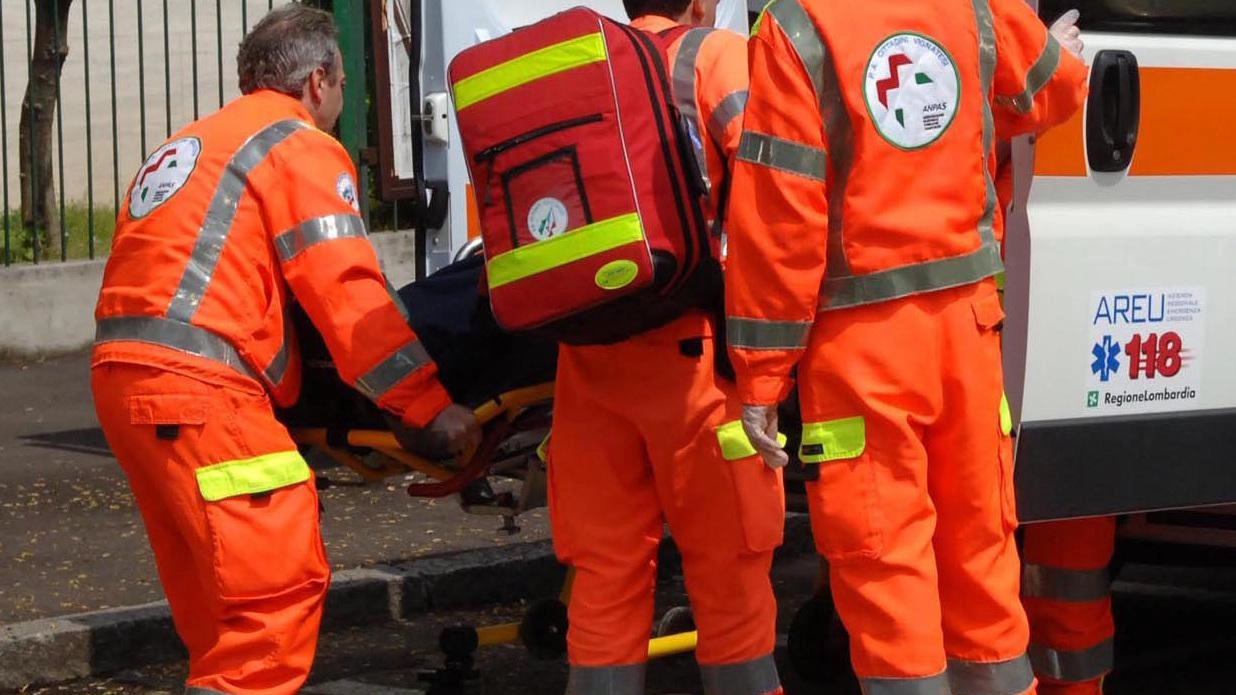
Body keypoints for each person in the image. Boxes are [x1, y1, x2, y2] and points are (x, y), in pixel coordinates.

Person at [90, 5, 479, 694]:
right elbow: (348, 293)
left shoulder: (192, 144)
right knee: (271, 592)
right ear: (321, 79)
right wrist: (427, 406)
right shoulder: (296, 145)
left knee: (217, 603)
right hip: (204, 389)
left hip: (127, 385)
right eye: (341, 88)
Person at [725, 0, 1088, 692]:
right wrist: (1058, 55)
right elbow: (1057, 88)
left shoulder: (795, 26)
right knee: (982, 562)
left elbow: (782, 215)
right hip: (969, 330)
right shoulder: (976, 4)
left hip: (861, 351)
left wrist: (762, 379)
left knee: (889, 570)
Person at [544, 2, 785, 694]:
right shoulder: (715, 57)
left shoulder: (576, 65)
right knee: (730, 579)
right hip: (694, 365)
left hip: (587, 359)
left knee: (604, 582)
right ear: (703, 2)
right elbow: (775, 197)